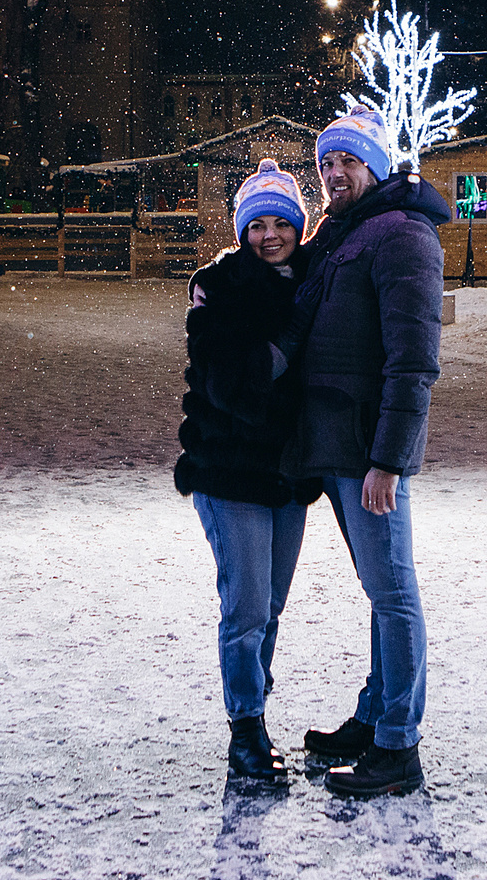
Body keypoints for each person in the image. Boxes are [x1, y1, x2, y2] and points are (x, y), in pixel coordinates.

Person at [283, 109, 451, 799]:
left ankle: (398, 747)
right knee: (380, 594)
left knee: (394, 592)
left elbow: (414, 362)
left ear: (376, 166)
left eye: (348, 161)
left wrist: (389, 459)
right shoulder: (342, 233)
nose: (334, 173)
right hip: (338, 447)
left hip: (367, 454)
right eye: (325, 163)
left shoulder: (403, 234)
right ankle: (375, 714)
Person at [173, 160, 318, 786]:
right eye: (255, 225)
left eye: (279, 223)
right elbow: (230, 383)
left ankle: (254, 715)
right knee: (247, 608)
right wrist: (285, 351)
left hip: (285, 474)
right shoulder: (220, 286)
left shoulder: (312, 283)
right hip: (229, 472)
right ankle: (246, 731)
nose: (268, 236)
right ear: (240, 231)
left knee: (272, 606)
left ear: (297, 226)